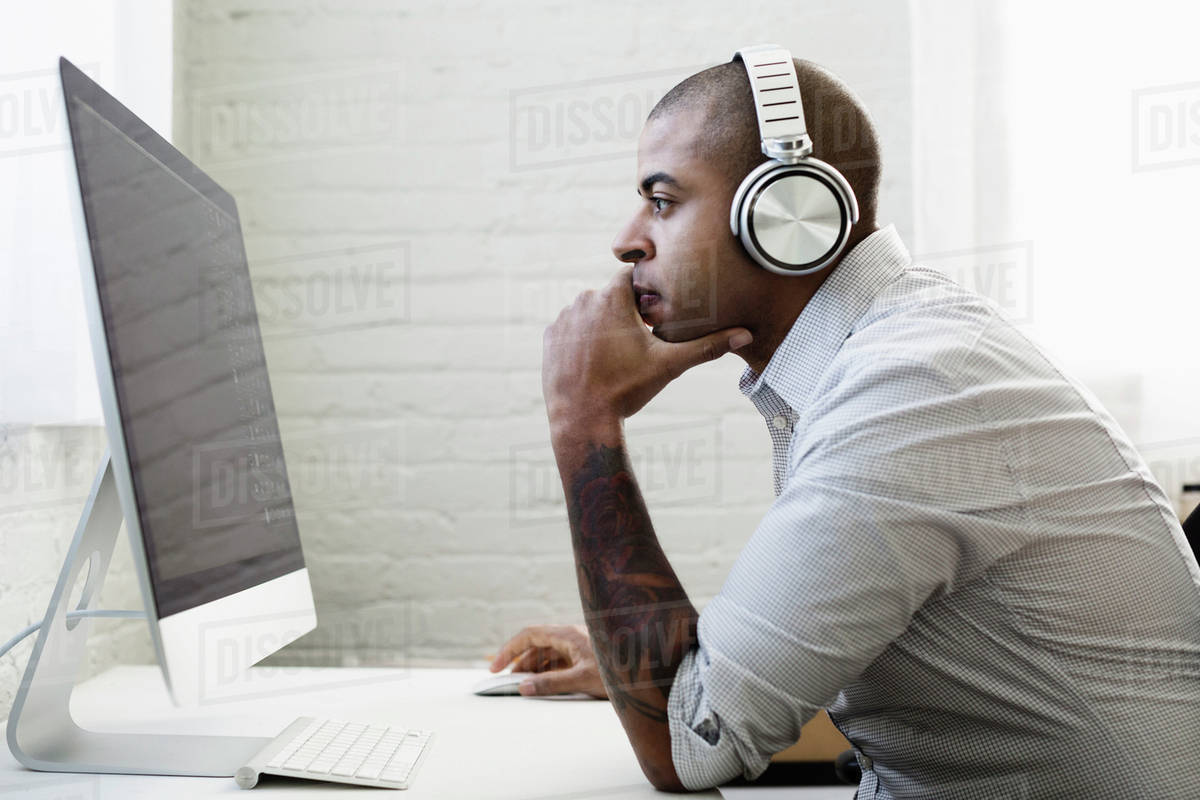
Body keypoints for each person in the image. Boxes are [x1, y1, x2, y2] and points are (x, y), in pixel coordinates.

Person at [490, 52, 1200, 797]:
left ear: (787, 216)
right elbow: (755, 708)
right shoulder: (889, 354)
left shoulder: (914, 388)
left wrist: (583, 419)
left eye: (662, 201)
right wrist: (652, 671)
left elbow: (688, 749)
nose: (628, 238)